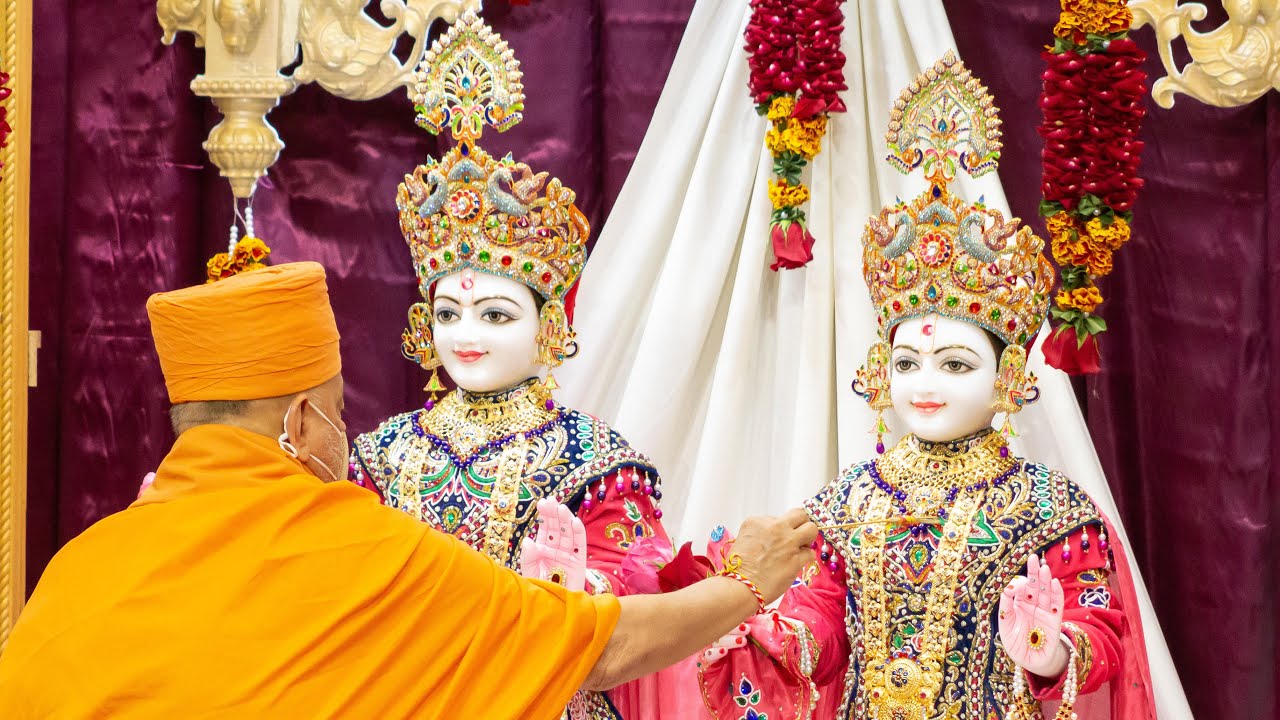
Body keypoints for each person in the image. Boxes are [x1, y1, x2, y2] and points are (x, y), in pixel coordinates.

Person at [0, 261, 818, 719]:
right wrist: (746, 582)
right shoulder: (362, 542)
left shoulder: (83, 565)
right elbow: (604, 648)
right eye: (335, 412)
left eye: (495, 312)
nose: (467, 334)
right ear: (300, 420)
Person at [696, 54, 1155, 719]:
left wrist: (1052, 649)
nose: (924, 384)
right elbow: (820, 626)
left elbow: (1100, 628)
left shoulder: (1049, 510)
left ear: (1010, 377)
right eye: (907, 363)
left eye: (956, 365)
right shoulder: (847, 503)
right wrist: (760, 626)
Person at [347, 13, 685, 719]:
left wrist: (580, 588)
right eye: (449, 314)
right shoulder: (380, 455)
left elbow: (643, 608)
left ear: (547, 326)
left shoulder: (594, 459)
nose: (466, 334)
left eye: (496, 314)